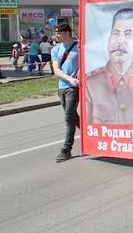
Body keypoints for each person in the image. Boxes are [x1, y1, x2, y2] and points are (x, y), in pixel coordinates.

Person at [86, 8, 133, 125]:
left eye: (128, 34)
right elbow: (88, 131)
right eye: (116, 33)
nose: (120, 41)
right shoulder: (91, 84)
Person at [51, 23, 80, 163]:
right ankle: (92, 137)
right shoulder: (55, 49)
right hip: (62, 86)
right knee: (73, 117)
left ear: (67, 32)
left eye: (59, 33)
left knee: (69, 118)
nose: (57, 35)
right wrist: (69, 79)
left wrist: (78, 77)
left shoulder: (79, 47)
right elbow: (56, 70)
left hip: (73, 89)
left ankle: (66, 150)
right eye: (56, 33)